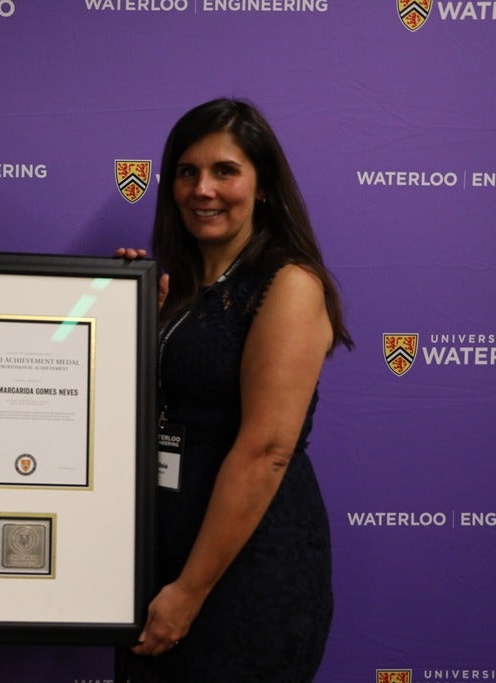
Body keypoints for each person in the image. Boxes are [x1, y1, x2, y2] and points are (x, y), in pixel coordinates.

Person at [122, 98, 353, 682]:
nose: (203, 189)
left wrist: (189, 592)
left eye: (225, 171)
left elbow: (266, 453)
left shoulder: (288, 283)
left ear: (263, 186)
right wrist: (117, 307)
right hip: (167, 553)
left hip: (243, 568)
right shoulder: (174, 288)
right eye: (187, 171)